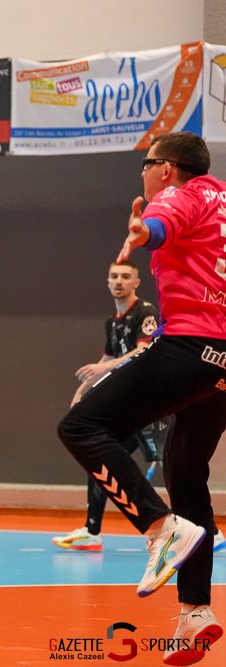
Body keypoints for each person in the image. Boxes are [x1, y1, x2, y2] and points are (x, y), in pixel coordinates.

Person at [58, 131, 226, 665]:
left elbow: (162, 222)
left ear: (167, 168)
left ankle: (159, 529)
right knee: (185, 472)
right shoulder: (223, 201)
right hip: (223, 363)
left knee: (81, 426)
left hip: (193, 345)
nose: (144, 173)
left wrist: (144, 229)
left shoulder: (181, 193)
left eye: (147, 165)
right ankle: (195, 612)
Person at [52, 263, 226, 553]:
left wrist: (104, 369)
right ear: (107, 281)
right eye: (114, 276)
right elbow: (108, 358)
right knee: (102, 456)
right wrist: (86, 388)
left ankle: (203, 532)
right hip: (132, 399)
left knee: (179, 468)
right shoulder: (113, 322)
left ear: (137, 282)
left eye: (125, 276)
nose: (119, 281)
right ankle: (92, 530)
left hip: (152, 402)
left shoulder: (145, 313)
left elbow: (147, 351)